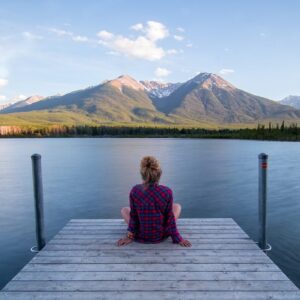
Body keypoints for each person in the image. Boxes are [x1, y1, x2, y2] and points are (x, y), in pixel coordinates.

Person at [117, 156, 191, 247]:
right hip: (160, 235)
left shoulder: (135, 191)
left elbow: (134, 216)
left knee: (124, 210)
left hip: (141, 234)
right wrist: (177, 238)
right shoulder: (167, 192)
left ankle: (134, 233)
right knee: (177, 206)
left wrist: (130, 236)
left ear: (142, 174)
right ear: (159, 174)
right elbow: (170, 218)